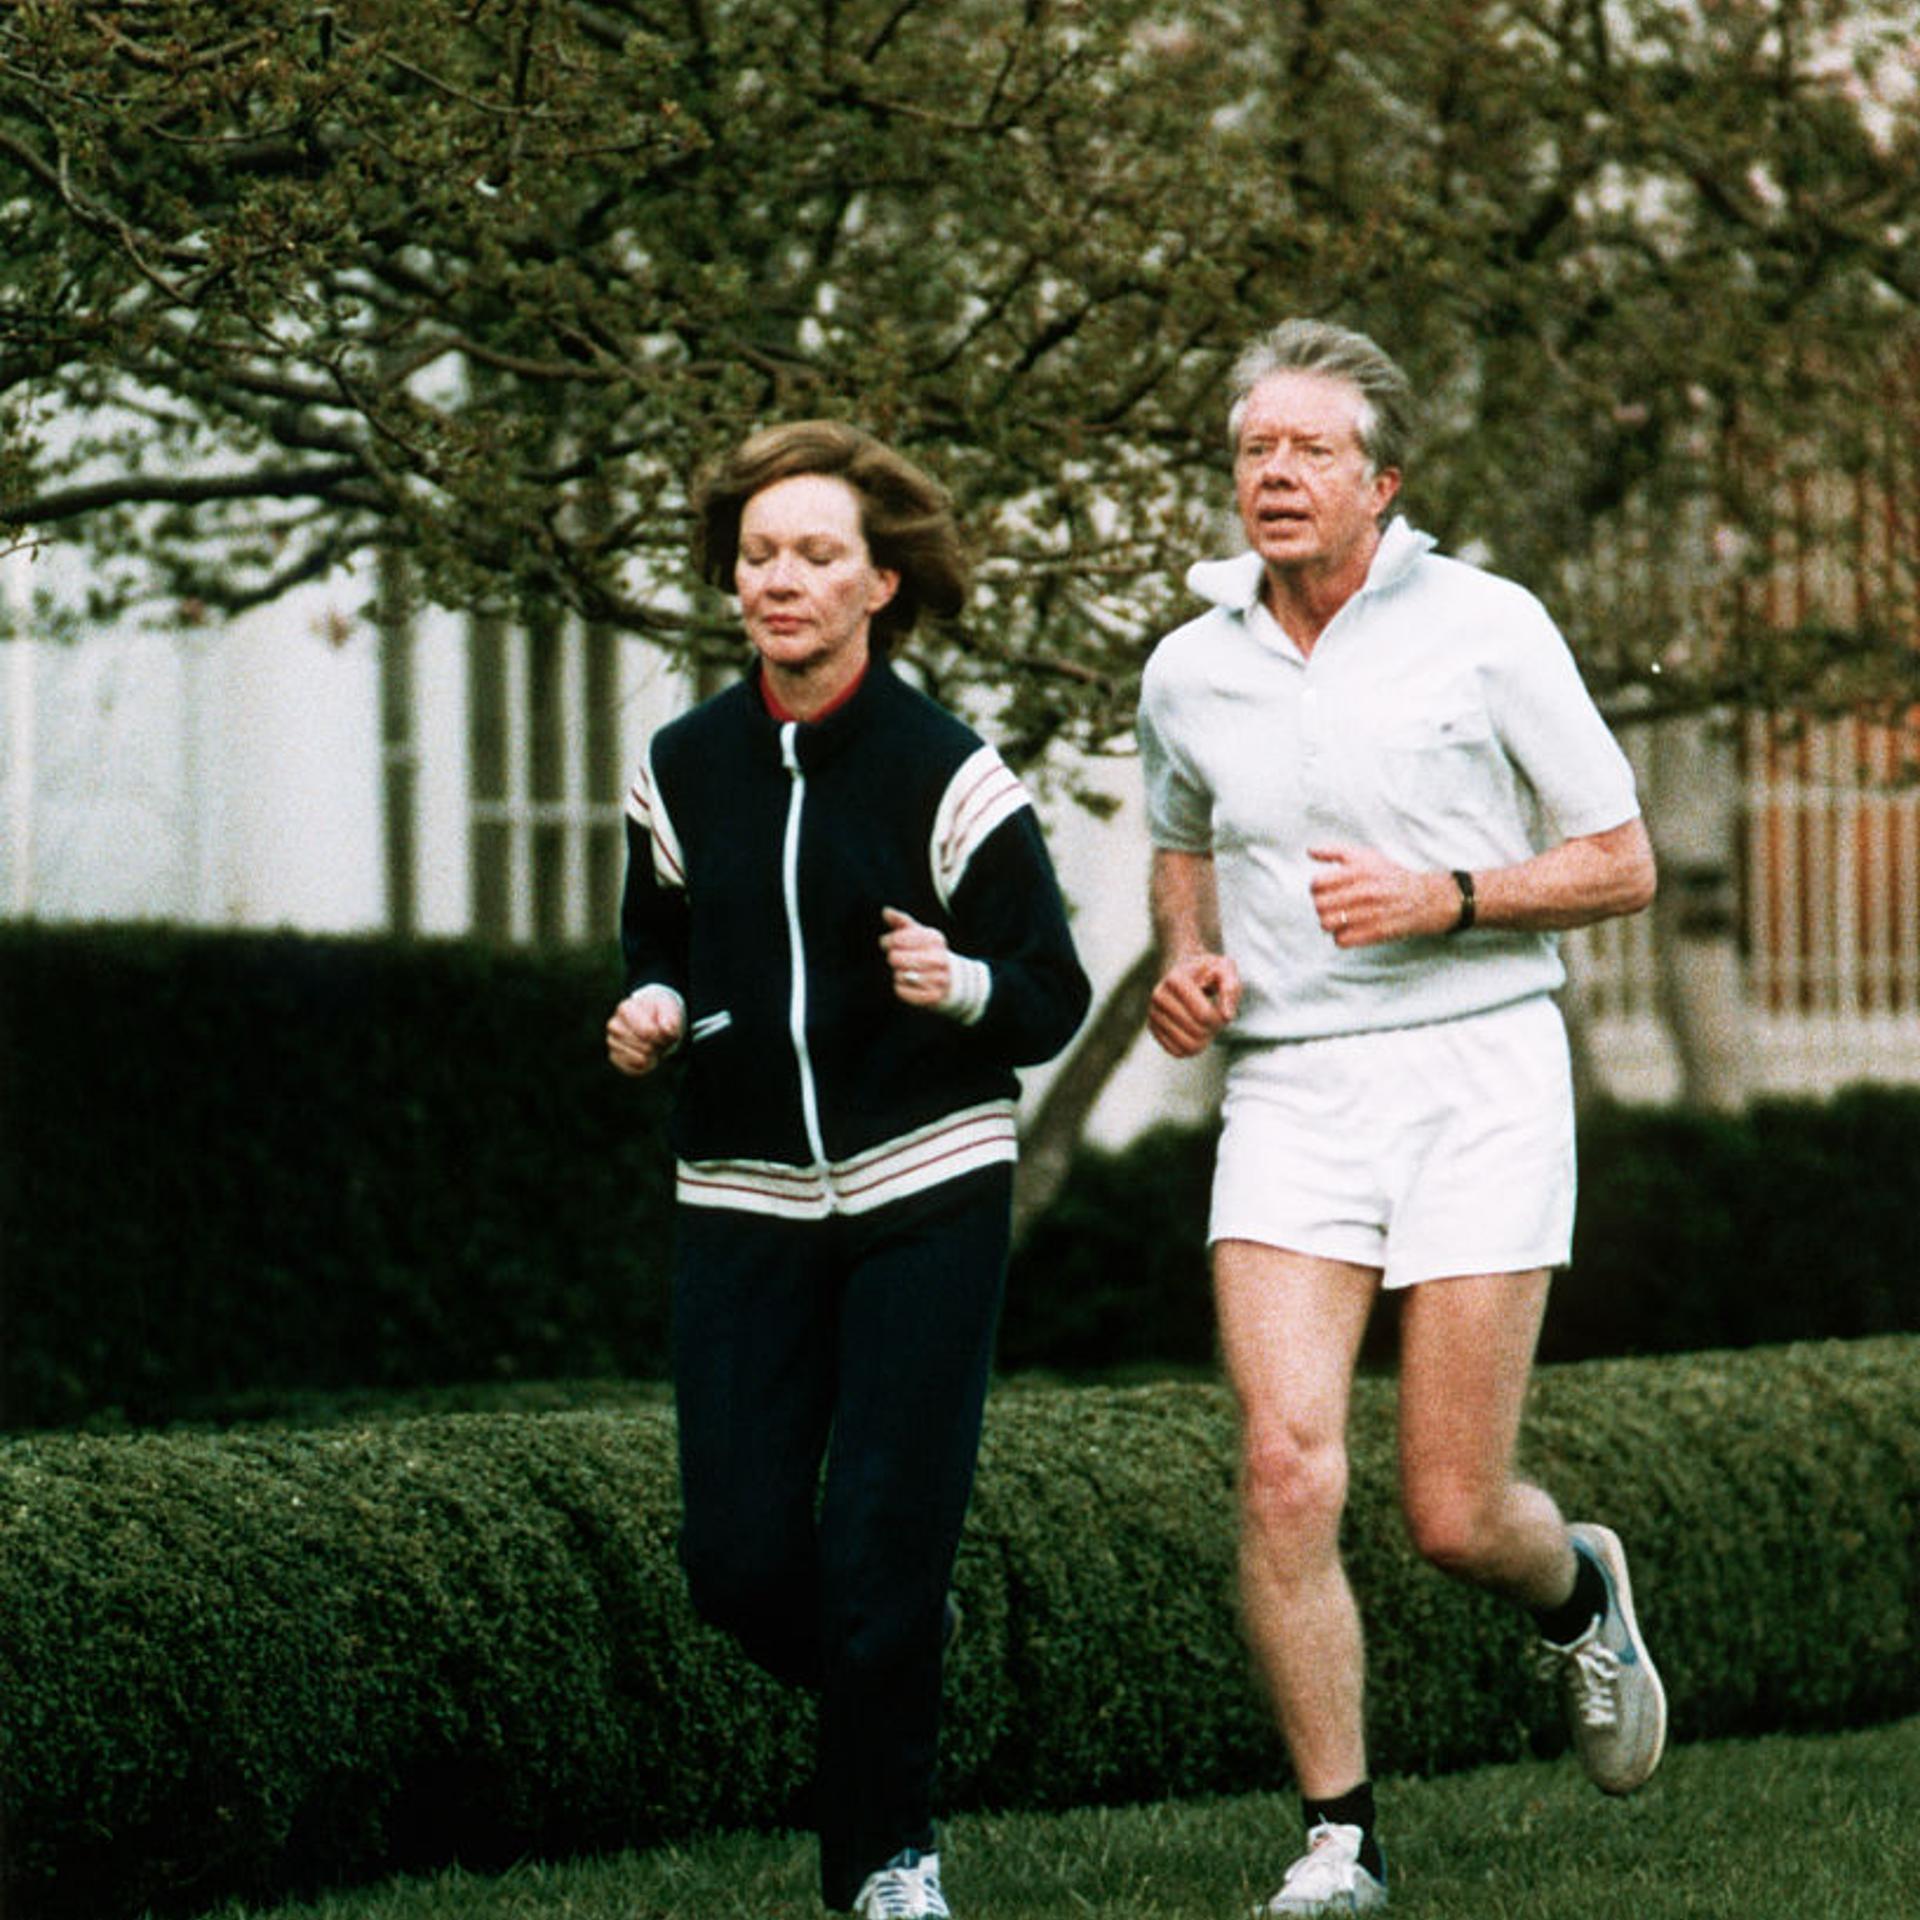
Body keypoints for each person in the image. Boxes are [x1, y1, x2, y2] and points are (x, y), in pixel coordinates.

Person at [1137, 319, 1665, 1916]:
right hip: (1292, 1087)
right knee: (1285, 1468)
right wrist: (1187, 960)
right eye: (1255, 449)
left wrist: (1451, 896)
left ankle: (1576, 1589)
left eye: (1312, 450)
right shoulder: (1188, 665)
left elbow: (1622, 860)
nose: (1277, 473)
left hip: (1478, 1072)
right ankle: (1342, 1840)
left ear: (1384, 484)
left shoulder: (1491, 627)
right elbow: (1178, 835)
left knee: (1451, 1512)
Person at [607, 420, 1091, 1920]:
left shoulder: (949, 773)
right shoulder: (681, 766)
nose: (781, 579)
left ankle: (890, 1863)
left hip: (926, 1192)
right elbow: (658, 941)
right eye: (759, 555)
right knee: (739, 1563)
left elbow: (1052, 994)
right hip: (742, 1201)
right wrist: (652, 1008)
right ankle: (897, 1660)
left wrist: (961, 984)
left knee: (881, 1540)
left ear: (880, 582)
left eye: (817, 555)